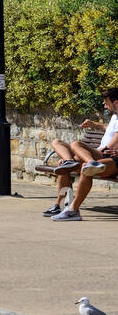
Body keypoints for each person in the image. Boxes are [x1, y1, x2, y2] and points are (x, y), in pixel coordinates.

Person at [39, 87, 118, 220]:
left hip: (110, 157)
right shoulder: (115, 117)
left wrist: (101, 150)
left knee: (79, 152)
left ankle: (73, 210)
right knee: (61, 158)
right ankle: (59, 205)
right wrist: (95, 125)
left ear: (116, 103)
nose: (105, 106)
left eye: (106, 103)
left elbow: (112, 145)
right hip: (101, 154)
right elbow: (110, 129)